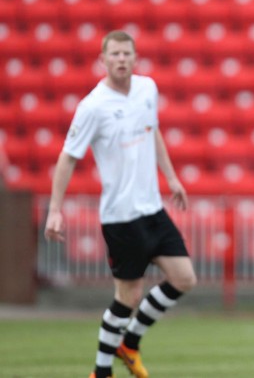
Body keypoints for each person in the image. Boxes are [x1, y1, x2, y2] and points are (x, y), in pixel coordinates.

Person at [44, 30, 197, 378]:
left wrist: (171, 178)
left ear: (135, 57)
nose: (121, 59)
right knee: (127, 296)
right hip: (120, 217)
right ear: (103, 60)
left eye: (127, 53)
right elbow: (67, 158)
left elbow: (153, 129)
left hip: (152, 209)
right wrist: (55, 208)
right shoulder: (92, 107)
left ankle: (129, 345)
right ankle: (101, 372)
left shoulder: (147, 89)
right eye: (114, 54)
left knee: (184, 278)